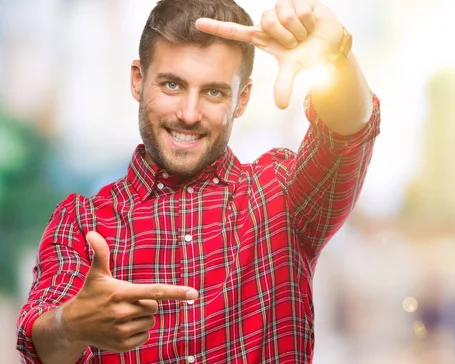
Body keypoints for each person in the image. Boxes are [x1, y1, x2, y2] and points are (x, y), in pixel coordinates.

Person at [16, 0, 380, 362]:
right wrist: (71, 324)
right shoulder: (83, 222)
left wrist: (337, 58)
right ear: (137, 80)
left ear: (242, 99)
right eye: (172, 85)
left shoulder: (281, 193)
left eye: (214, 92)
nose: (189, 114)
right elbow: (42, 347)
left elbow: (347, 134)